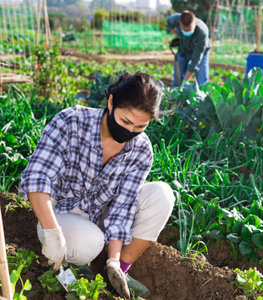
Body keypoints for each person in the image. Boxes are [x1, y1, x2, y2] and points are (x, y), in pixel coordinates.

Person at [19, 72, 175, 299]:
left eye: (140, 127)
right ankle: (77, 259)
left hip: (101, 213)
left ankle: (118, 270)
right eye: (125, 121)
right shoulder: (71, 122)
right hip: (62, 215)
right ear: (111, 102)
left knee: (163, 194)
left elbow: (123, 206)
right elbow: (37, 178)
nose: (130, 132)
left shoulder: (141, 149)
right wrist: (52, 234)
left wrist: (113, 260)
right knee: (89, 243)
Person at [166, 10, 210, 87]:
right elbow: (169, 21)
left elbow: (196, 59)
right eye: (184, 30)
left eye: (189, 30)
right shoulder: (176, 19)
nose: (187, 32)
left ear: (195, 24)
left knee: (202, 82)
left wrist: (186, 78)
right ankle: (175, 95)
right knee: (177, 79)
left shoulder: (202, 33)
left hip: (200, 52)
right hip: (184, 48)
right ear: (179, 24)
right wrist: (171, 29)